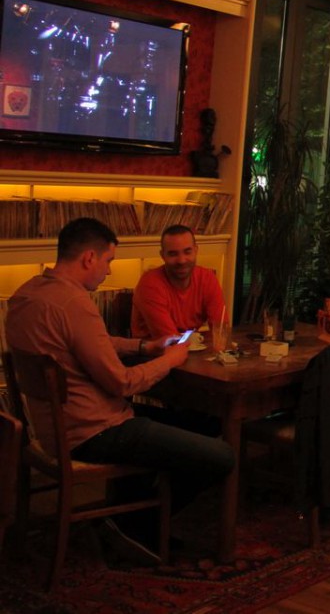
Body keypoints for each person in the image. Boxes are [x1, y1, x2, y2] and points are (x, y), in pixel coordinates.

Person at [5, 218, 234, 561]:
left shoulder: (28, 293)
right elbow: (122, 383)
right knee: (222, 456)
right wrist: (170, 360)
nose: (109, 271)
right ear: (89, 258)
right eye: (108, 261)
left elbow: (92, 342)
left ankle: (127, 512)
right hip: (94, 430)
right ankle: (136, 525)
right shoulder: (74, 303)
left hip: (54, 426)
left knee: (202, 423)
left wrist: (143, 347)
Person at [132, 225, 227, 339]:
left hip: (189, 346)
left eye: (187, 252)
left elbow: (221, 330)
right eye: (173, 254)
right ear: (162, 255)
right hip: (155, 349)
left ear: (196, 251)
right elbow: (169, 340)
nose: (181, 260)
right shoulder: (150, 284)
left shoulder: (207, 278)